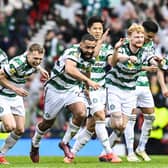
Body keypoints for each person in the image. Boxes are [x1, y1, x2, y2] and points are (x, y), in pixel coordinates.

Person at [60, 16, 122, 164]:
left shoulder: (106, 48)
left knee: (92, 126)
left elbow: (112, 63)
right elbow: (91, 57)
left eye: (100, 29)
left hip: (101, 88)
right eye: (95, 28)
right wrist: (99, 43)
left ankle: (71, 154)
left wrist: (116, 50)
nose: (98, 31)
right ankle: (110, 153)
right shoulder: (81, 47)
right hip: (86, 87)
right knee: (100, 116)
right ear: (88, 29)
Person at [30, 33, 100, 163]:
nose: (90, 51)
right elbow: (69, 69)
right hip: (55, 89)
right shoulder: (72, 51)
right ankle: (35, 144)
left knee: (81, 113)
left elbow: (86, 70)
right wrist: (89, 81)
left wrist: (87, 87)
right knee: (47, 123)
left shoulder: (91, 57)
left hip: (72, 89)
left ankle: (65, 143)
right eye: (87, 47)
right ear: (81, 45)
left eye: (92, 48)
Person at [100, 23, 159, 160]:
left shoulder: (145, 50)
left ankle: (104, 123)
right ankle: (101, 121)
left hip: (130, 89)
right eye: (136, 37)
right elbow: (114, 62)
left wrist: (158, 63)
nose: (140, 39)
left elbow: (151, 60)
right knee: (117, 122)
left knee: (121, 126)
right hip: (114, 86)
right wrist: (119, 52)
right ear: (129, 38)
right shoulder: (123, 46)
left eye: (141, 37)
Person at [0, 43, 48, 164]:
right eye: (35, 59)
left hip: (16, 97)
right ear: (28, 54)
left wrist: (40, 69)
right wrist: (15, 88)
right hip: (3, 95)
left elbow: (34, 64)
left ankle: (1, 155)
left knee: (20, 130)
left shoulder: (32, 61)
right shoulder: (16, 63)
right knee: (10, 126)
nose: (37, 61)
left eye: (40, 59)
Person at [124, 20, 160, 162]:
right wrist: (146, 67)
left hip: (143, 83)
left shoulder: (149, 44)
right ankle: (130, 151)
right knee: (130, 118)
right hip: (129, 83)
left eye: (152, 37)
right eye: (148, 36)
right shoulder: (129, 43)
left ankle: (141, 148)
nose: (150, 40)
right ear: (141, 31)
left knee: (150, 117)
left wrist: (157, 61)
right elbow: (128, 66)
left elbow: (151, 59)